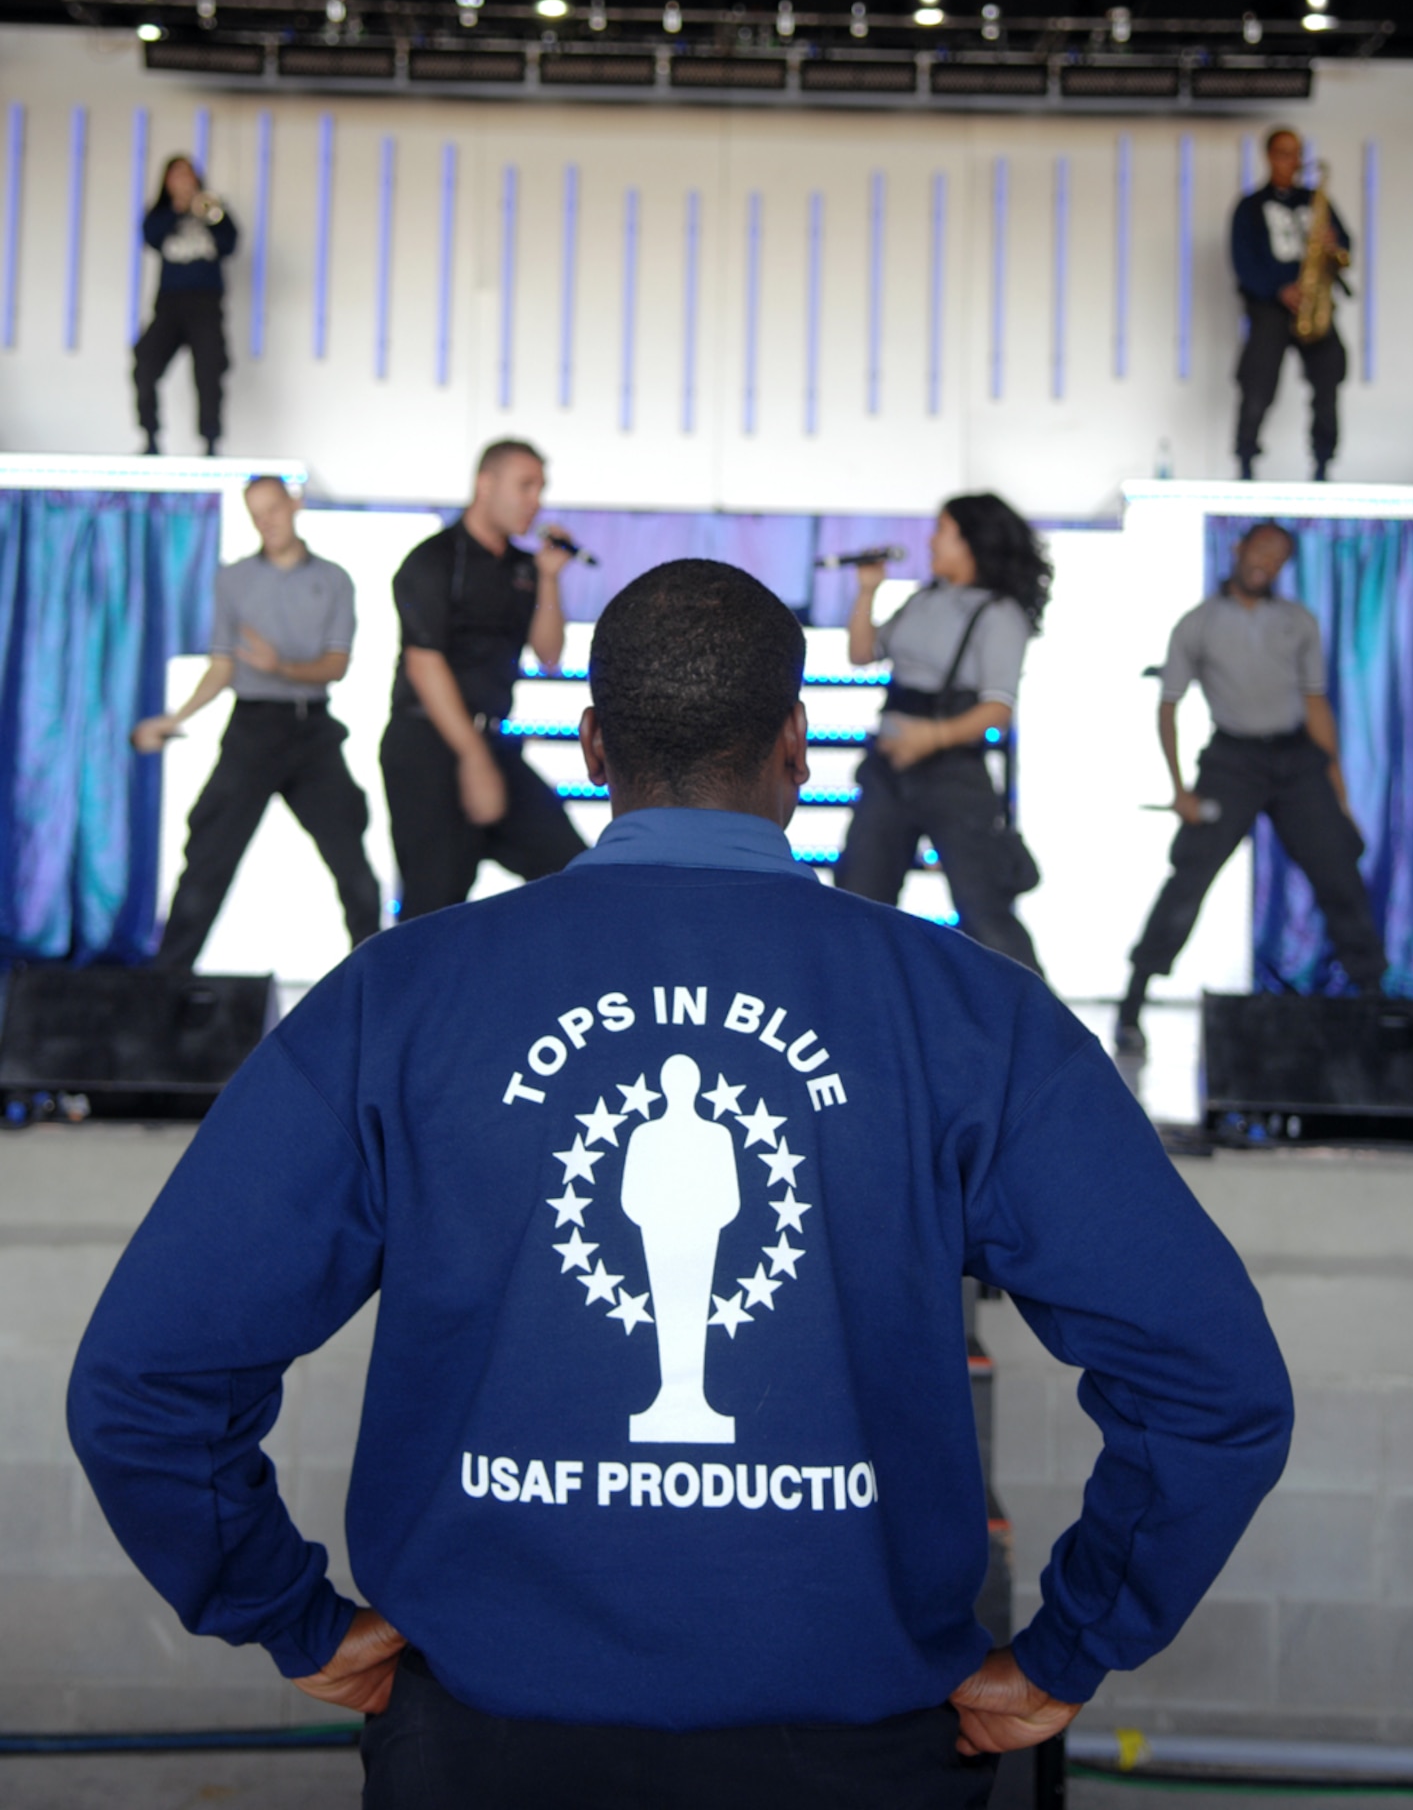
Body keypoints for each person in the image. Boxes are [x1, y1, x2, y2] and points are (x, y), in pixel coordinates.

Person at [72, 558, 1293, 1810]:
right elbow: (1209, 1384)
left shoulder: (398, 1001)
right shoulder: (974, 1016)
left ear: (593, 744)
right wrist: (1069, 1647)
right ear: (797, 746)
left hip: (485, 1754)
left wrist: (289, 1614)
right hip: (859, 1757)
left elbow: (147, 1381)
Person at [1116, 520, 1384, 1054]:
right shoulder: (1198, 624)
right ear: (1239, 550)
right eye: (1261, 549)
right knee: (1188, 878)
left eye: (1280, 555)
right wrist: (1180, 789)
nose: (1268, 561)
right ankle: (1133, 1003)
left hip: (1296, 760)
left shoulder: (1297, 622)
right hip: (1232, 760)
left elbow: (1314, 704)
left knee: (1339, 871)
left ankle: (1377, 1005)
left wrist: (1339, 792)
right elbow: (1168, 706)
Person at [134, 476, 381, 969]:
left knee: (352, 865)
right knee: (208, 857)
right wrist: (174, 717)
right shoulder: (233, 579)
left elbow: (336, 665)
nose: (266, 520)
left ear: (294, 505)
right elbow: (223, 666)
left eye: (273, 508)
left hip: (312, 732)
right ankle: (162, 986)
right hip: (252, 729)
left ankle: (377, 977)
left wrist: (280, 666)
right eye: (255, 512)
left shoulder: (333, 579)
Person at [834, 493, 1049, 973]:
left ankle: (1041, 1027)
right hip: (889, 769)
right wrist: (868, 591)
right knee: (858, 898)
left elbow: (998, 709)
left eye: (943, 531)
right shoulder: (924, 598)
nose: (931, 541)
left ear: (971, 540)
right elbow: (863, 652)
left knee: (985, 912)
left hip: (952, 773)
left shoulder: (998, 614)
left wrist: (929, 738)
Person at [379, 438, 585, 920]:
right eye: (525, 485)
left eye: (540, 488)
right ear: (485, 484)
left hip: (492, 740)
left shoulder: (522, 568)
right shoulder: (431, 561)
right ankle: (411, 994)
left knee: (572, 870)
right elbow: (424, 664)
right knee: (434, 900)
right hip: (427, 743)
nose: (535, 500)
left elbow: (550, 654)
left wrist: (550, 576)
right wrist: (472, 759)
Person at [1231, 127, 1351, 484]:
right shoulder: (1250, 207)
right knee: (1257, 384)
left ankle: (1323, 463)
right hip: (1271, 306)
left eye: (1297, 153)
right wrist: (1278, 290)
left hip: (1314, 306)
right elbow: (1242, 261)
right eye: (1285, 153)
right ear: (1270, 156)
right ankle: (1246, 461)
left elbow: (1346, 249)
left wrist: (1333, 244)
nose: (1293, 161)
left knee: (1328, 378)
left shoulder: (1316, 201)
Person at [134, 155, 239, 457]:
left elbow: (230, 243)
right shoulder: (160, 215)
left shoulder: (211, 209)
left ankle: (210, 443)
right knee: (145, 365)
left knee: (208, 372)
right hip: (169, 305)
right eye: (176, 175)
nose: (183, 181)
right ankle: (150, 437)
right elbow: (151, 237)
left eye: (188, 175)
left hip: (206, 304)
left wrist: (205, 211)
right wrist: (176, 209)